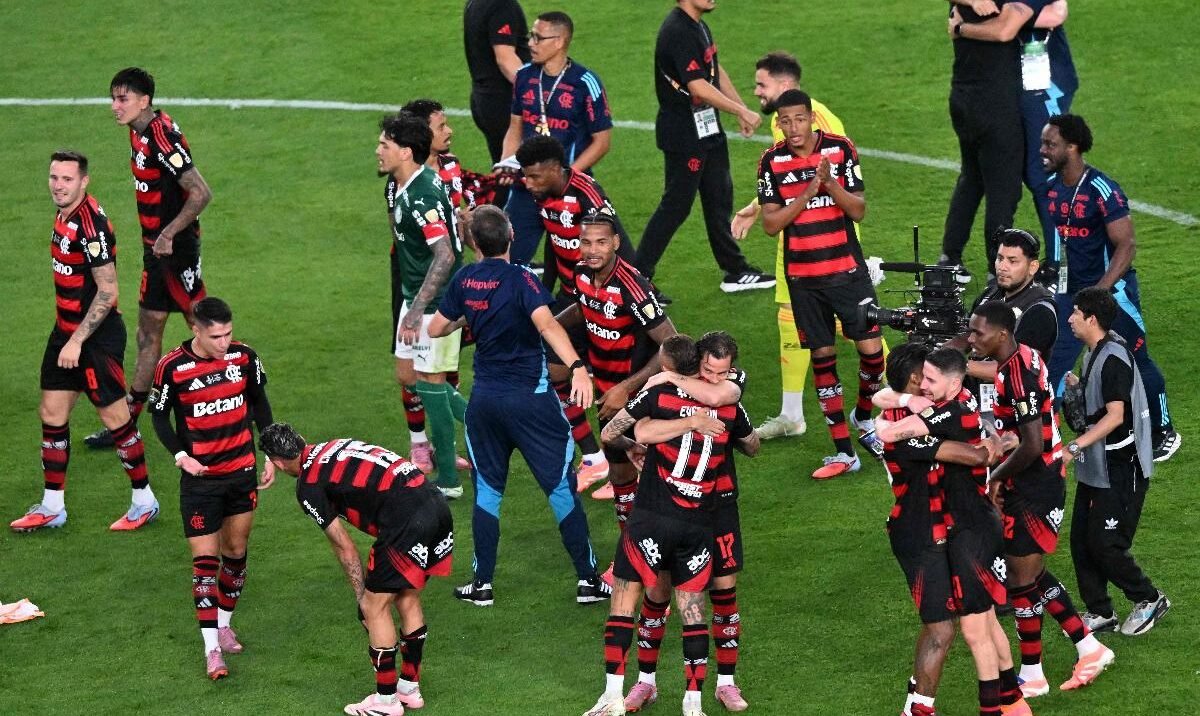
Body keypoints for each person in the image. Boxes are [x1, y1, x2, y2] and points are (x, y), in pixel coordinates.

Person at [427, 205, 608, 606]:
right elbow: (547, 324)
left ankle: (482, 585)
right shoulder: (522, 278)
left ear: (474, 244)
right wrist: (578, 367)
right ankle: (588, 580)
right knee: (559, 487)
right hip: (531, 402)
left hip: (485, 404)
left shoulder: (465, 279)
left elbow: (437, 327)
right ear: (511, 236)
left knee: (488, 492)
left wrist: (471, 314)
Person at [586, 334, 758, 716]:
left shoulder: (728, 392)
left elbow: (748, 439)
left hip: (719, 506)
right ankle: (646, 682)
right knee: (658, 593)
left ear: (732, 369)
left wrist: (674, 387)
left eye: (723, 372)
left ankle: (726, 683)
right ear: (697, 363)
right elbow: (626, 432)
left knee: (724, 594)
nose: (714, 378)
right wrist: (642, 443)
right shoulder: (668, 397)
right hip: (673, 507)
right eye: (708, 370)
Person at [966, 302, 1114, 697]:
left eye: (978, 332)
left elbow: (1032, 445)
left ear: (1001, 334)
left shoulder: (1019, 377)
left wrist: (995, 478)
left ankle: (1034, 673)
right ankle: (1088, 648)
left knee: (1020, 580)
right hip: (1032, 481)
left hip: (1037, 485)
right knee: (1030, 573)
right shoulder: (1019, 357)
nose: (971, 339)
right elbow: (1023, 434)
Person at [875, 347, 1032, 716]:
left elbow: (887, 398)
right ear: (914, 381)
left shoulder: (942, 406)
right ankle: (922, 708)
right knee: (946, 628)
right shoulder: (908, 427)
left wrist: (995, 441)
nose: (929, 383)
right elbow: (976, 456)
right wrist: (992, 444)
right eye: (925, 377)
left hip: (961, 529)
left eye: (934, 377)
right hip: (921, 536)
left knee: (979, 620)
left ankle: (1009, 702)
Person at [259, 424, 453, 715]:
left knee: (374, 608)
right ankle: (409, 688)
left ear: (277, 462)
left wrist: (362, 595)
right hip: (436, 504)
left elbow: (344, 547)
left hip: (406, 521)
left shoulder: (309, 485)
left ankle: (386, 702)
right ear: (301, 439)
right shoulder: (333, 445)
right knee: (407, 597)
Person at [11, 151, 159, 533]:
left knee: (116, 420)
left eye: (67, 179)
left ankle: (144, 501)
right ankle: (52, 507)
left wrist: (76, 341)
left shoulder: (91, 226)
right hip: (66, 332)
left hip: (96, 339)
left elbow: (108, 292)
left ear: (84, 181)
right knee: (52, 413)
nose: (58, 186)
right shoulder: (64, 215)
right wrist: (68, 337)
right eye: (54, 177)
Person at [755, 89, 884, 479]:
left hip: (847, 272)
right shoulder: (770, 162)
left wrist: (830, 186)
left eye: (799, 118)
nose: (793, 127)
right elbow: (771, 224)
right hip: (804, 280)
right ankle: (844, 451)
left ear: (811, 118)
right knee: (823, 359)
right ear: (779, 123)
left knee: (872, 354)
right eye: (785, 121)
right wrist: (808, 193)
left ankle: (864, 415)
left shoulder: (840, 150)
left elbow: (858, 210)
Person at [1040, 113, 1180, 461]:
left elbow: (1126, 245)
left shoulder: (1102, 190)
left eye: (1050, 144)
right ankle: (1045, 436)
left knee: (1135, 358)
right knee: (1054, 362)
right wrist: (1055, 279)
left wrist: (1101, 292)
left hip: (1112, 294)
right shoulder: (1053, 188)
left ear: (1072, 147)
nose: (1042, 150)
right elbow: (1063, 240)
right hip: (1072, 292)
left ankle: (1164, 431)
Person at [86, 67, 213, 449]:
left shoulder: (161, 137)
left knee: (203, 327)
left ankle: (235, 397)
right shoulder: (137, 130)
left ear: (144, 101)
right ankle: (127, 423)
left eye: (122, 99)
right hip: (156, 249)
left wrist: (168, 234)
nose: (115, 106)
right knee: (148, 330)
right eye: (113, 98)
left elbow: (201, 192)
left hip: (174, 251)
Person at [147, 296, 273, 680]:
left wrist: (269, 451)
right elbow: (159, 417)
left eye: (228, 334)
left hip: (241, 473)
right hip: (201, 482)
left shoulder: (245, 358)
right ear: (195, 330)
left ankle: (223, 624)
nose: (224, 342)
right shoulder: (172, 367)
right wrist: (180, 455)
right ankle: (211, 649)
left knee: (235, 553)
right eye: (216, 336)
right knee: (205, 565)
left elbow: (260, 404)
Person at [732, 51, 855, 441]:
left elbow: (831, 180)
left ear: (785, 85)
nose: (756, 92)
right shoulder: (783, 121)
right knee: (791, 316)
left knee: (853, 323)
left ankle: (901, 390)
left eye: (761, 84)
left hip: (828, 239)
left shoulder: (816, 122)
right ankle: (791, 415)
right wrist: (757, 207)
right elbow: (788, 178)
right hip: (796, 237)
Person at [516, 134, 636, 490]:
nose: (528, 183)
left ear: (556, 169)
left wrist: (612, 298)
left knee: (612, 387)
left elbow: (620, 250)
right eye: (526, 176)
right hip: (572, 298)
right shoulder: (544, 195)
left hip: (601, 301)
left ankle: (626, 469)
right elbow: (555, 243)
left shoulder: (588, 198)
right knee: (554, 373)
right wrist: (545, 292)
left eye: (535, 176)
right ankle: (596, 459)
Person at [634, 0, 773, 296]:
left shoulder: (698, 25)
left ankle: (735, 270)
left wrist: (740, 108)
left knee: (718, 196)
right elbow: (697, 86)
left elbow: (713, 69)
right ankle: (637, 277)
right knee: (676, 205)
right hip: (684, 134)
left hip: (707, 127)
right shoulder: (677, 31)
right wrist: (741, 111)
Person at [556, 210, 678, 522]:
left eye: (601, 242)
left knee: (655, 476)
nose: (592, 250)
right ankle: (630, 547)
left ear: (615, 243)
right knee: (621, 477)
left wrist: (626, 388)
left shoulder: (632, 287)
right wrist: (549, 327)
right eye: (586, 242)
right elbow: (584, 308)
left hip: (638, 395)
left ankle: (663, 542)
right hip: (606, 393)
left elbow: (671, 343)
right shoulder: (581, 273)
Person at [1064, 287, 1169, 636]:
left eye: (1075, 313)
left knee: (1106, 544)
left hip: (1122, 467)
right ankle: (1100, 611)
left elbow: (1115, 416)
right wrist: (1079, 388)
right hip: (1098, 465)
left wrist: (1074, 446)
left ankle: (1149, 598)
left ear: (1091, 319)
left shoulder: (1112, 359)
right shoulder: (1095, 351)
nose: (1070, 318)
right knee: (1082, 541)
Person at [396, 98, 493, 475]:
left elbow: (458, 224)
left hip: (448, 281)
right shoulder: (403, 180)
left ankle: (445, 449)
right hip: (413, 282)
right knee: (410, 374)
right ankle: (422, 443)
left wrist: (480, 253)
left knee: (442, 370)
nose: (449, 131)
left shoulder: (450, 168)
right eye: (441, 126)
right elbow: (405, 234)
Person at [379, 112, 468, 498]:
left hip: (435, 304)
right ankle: (479, 422)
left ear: (405, 151)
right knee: (407, 375)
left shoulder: (422, 194)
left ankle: (448, 480)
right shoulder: (407, 185)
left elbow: (444, 255)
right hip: (416, 297)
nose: (378, 151)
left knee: (431, 385)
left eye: (384, 144)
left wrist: (417, 312)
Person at [949, 1, 1076, 256]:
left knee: (1041, 173)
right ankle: (1056, 259)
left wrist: (962, 28)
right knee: (1028, 173)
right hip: (1021, 89)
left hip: (1046, 87)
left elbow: (1009, 28)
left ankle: (1059, 262)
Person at [498, 11, 614, 265]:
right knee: (507, 259)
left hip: (570, 190)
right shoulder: (524, 77)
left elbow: (602, 142)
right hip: (527, 188)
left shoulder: (585, 83)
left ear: (559, 41)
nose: (531, 43)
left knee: (583, 265)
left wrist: (566, 177)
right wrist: (506, 162)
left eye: (538, 38)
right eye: (531, 36)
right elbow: (515, 127)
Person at [940, 3, 1025, 275]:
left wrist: (960, 26)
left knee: (972, 178)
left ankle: (949, 257)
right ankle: (996, 270)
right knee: (1003, 189)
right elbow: (1004, 31)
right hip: (996, 103)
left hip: (963, 97)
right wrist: (963, 28)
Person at [463, 0, 530, 165]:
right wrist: (534, 92)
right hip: (506, 102)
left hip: (484, 99)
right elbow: (505, 59)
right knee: (526, 169)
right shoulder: (502, 5)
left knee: (505, 168)